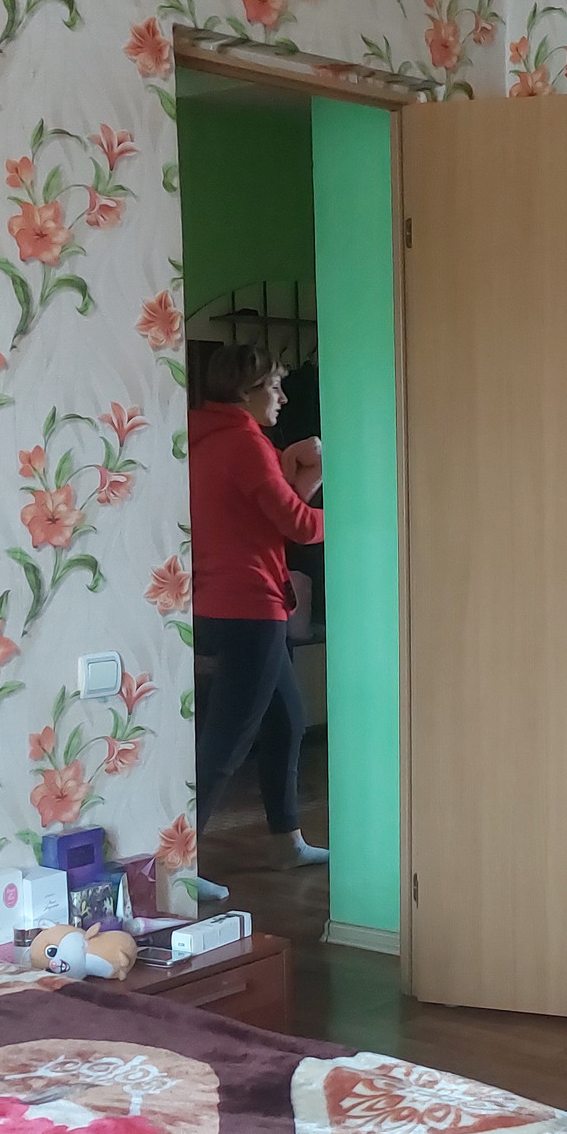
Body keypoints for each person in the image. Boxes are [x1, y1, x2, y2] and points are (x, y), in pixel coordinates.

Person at [188, 345, 328, 862]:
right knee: (227, 742)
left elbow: (268, 516)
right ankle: (179, 862)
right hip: (249, 606)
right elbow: (297, 526)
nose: (283, 397)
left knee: (287, 719)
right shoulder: (246, 444)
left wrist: (304, 476)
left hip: (216, 601)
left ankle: (287, 840)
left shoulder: (205, 438)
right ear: (243, 392)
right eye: (273, 387)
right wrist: (356, 511)